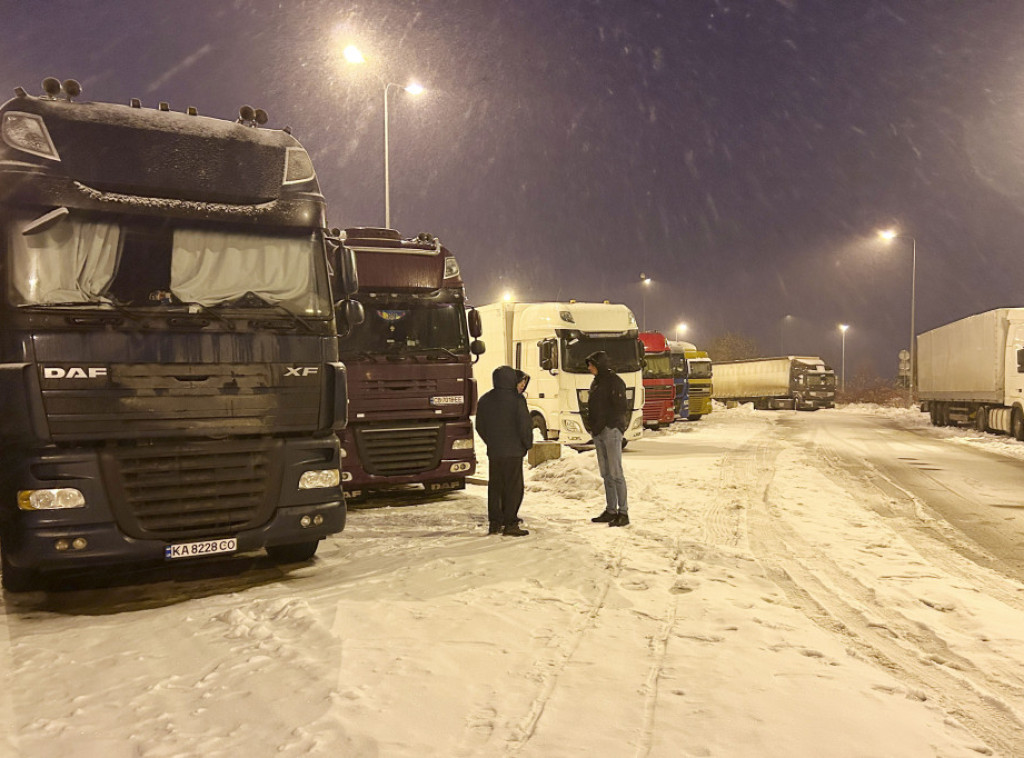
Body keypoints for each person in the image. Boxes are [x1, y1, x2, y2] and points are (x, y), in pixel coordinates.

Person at [475, 365, 533, 536]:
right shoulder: (517, 400)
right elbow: (524, 426)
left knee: (495, 487)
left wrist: (491, 442)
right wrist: (526, 444)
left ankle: (495, 522)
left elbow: (480, 426)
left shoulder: (485, 399)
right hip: (514, 452)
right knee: (513, 488)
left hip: (495, 452)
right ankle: (510, 523)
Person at [585, 351, 630, 526]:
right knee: (606, 473)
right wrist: (593, 426)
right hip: (599, 432)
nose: (589, 368)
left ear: (599, 365)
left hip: (610, 431)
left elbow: (620, 407)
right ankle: (611, 509)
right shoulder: (596, 382)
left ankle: (623, 512)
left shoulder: (614, 382)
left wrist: (610, 425)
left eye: (591, 364)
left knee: (616, 472)